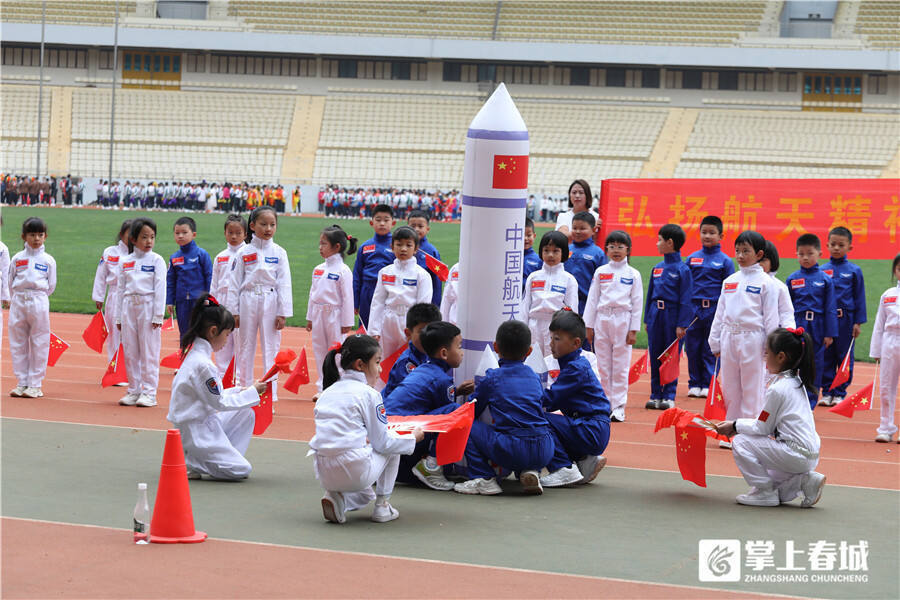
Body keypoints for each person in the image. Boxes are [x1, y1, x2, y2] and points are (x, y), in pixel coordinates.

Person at [310, 334, 424, 524]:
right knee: (393, 443)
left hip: (323, 473)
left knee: (364, 490)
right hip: (354, 470)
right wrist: (412, 438)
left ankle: (338, 497)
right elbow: (384, 443)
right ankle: (382, 506)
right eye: (377, 362)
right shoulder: (369, 394)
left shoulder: (326, 393)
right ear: (360, 365)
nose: (380, 369)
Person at [714, 328, 825, 508]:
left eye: (767, 353)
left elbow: (762, 428)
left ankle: (764, 492)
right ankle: (805, 481)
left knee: (741, 442)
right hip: (808, 454)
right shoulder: (796, 382)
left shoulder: (778, 388)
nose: (764, 358)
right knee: (777, 486)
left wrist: (734, 426)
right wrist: (736, 425)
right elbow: (766, 425)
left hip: (796, 454)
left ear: (781, 357)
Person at [168, 294, 266, 480]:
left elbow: (211, 395)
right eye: (227, 334)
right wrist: (253, 391)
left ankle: (218, 458)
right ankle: (195, 461)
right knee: (242, 470)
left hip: (201, 421)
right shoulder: (203, 365)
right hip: (195, 430)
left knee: (245, 413)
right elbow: (219, 402)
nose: (227, 340)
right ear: (213, 331)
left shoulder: (196, 356)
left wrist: (241, 391)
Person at [455, 320, 554, 495]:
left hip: (512, 448)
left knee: (466, 424)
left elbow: (472, 410)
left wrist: (461, 395)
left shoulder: (493, 378)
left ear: (496, 347)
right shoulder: (533, 376)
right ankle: (530, 470)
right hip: (544, 448)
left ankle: (483, 477)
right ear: (529, 351)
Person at [708, 231, 780, 445]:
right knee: (730, 387)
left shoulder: (767, 283)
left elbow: (771, 318)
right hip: (730, 337)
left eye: (746, 251)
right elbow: (720, 313)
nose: (740, 255)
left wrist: (771, 346)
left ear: (759, 254)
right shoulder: (730, 281)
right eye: (737, 250)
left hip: (753, 339)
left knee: (752, 388)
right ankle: (730, 431)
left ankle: (749, 434)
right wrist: (714, 340)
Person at [384, 321, 474, 490]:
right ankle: (431, 467)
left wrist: (457, 391)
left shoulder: (425, 369)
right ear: (444, 353)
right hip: (402, 433)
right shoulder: (442, 379)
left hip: (389, 432)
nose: (462, 353)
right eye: (459, 347)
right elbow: (447, 419)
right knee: (457, 413)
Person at [227, 206, 293, 404]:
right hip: (247, 299)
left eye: (272, 225)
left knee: (271, 347)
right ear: (252, 226)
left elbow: (284, 283)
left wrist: (282, 312)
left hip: (270, 300)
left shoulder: (280, 252)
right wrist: (233, 311)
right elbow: (234, 283)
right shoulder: (243, 252)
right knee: (245, 346)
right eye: (263, 224)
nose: (268, 229)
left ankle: (269, 394)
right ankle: (245, 391)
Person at [539, 309, 610, 488]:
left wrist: (519, 396)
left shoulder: (576, 368)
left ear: (576, 343)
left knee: (539, 420)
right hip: (592, 427)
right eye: (551, 338)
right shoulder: (572, 365)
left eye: (557, 339)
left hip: (591, 429)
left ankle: (563, 467)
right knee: (552, 421)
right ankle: (584, 459)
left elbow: (549, 399)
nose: (551, 344)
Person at [583, 230, 643, 422]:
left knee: (620, 366)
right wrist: (588, 326)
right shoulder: (601, 272)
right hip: (602, 319)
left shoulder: (633, 274)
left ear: (628, 250)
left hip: (623, 320)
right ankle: (604, 403)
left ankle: (618, 406)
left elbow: (637, 302)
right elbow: (593, 299)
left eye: (620, 246)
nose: (616, 250)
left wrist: (633, 329)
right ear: (606, 249)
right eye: (612, 246)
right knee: (602, 365)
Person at [116, 218, 167, 407]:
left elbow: (160, 288)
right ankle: (134, 390)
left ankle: (149, 392)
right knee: (131, 351)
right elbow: (120, 290)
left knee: (149, 352)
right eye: (144, 237)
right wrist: (118, 316)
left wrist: (158, 315)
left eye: (152, 237)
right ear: (133, 239)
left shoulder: (156, 260)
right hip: (129, 306)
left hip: (148, 306)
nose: (149, 241)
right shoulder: (125, 262)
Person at [683, 215, 734, 398]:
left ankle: (708, 382)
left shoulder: (725, 261)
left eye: (712, 233)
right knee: (693, 346)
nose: (707, 236)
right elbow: (685, 286)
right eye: (704, 232)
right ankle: (694, 382)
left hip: (714, 309)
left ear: (721, 236)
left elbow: (730, 290)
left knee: (710, 346)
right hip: (694, 308)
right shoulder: (692, 259)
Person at [644, 224, 694, 409]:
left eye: (659, 240)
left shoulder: (683, 269)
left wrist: (682, 324)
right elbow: (650, 295)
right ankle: (655, 394)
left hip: (672, 316)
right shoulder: (657, 268)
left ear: (670, 242)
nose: (657, 244)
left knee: (671, 356)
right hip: (656, 315)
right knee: (656, 354)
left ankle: (669, 395)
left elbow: (686, 298)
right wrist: (647, 319)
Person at [785, 234, 837, 408]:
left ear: (819, 254)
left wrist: (829, 333)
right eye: (801, 254)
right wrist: (787, 328)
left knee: (815, 364)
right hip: (798, 324)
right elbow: (786, 306)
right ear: (796, 255)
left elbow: (830, 307)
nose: (805, 258)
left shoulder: (825, 280)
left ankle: (810, 403)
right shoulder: (792, 279)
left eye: (810, 253)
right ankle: (792, 401)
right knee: (794, 362)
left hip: (818, 325)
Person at [7, 217, 57, 398]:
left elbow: (51, 285)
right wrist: (15, 298)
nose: (36, 238)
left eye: (40, 235)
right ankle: (22, 382)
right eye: (32, 234)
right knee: (18, 342)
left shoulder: (48, 260)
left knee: (39, 342)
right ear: (24, 237)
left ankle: (35, 384)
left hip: (38, 301)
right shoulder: (17, 258)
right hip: (19, 301)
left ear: (45, 237)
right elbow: (10, 280)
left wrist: (38, 297)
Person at [368, 225, 432, 359]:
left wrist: (416, 331)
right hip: (388, 320)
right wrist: (374, 330)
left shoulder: (422, 275)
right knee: (384, 358)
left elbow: (423, 306)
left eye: (408, 245)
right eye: (399, 244)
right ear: (392, 247)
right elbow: (378, 302)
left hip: (409, 321)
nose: (403, 249)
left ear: (415, 249)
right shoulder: (385, 272)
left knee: (408, 359)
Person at [306, 225, 357, 392]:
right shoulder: (318, 269)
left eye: (324, 244)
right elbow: (312, 294)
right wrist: (310, 317)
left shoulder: (343, 270)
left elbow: (348, 297)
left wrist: (347, 322)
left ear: (337, 247)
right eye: (319, 243)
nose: (320, 247)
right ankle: (322, 387)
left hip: (335, 315)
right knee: (319, 350)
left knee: (336, 352)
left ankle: (337, 385)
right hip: (318, 313)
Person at [820, 227, 867, 407]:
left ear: (849, 247)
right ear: (827, 245)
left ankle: (840, 392)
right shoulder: (822, 270)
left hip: (846, 320)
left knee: (844, 356)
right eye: (833, 244)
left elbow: (859, 297)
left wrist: (857, 323)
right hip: (827, 320)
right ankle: (827, 392)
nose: (836, 248)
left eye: (841, 245)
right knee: (826, 355)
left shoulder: (854, 271)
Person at [520, 230, 578, 359]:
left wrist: (569, 333)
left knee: (553, 362)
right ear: (541, 252)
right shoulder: (533, 277)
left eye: (555, 251)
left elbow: (572, 309)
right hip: (533, 326)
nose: (550, 255)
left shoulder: (569, 280)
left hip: (556, 328)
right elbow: (525, 305)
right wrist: (523, 329)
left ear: (564, 253)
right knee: (533, 360)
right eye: (546, 250)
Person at [91, 219, 132, 375]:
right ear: (122, 234)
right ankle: (115, 369)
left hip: (133, 297)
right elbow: (101, 275)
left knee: (132, 334)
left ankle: (131, 370)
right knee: (115, 333)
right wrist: (99, 296)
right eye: (129, 233)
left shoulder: (140, 254)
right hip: (114, 296)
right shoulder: (110, 252)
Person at [209, 215, 247, 379]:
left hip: (240, 301)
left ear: (245, 234)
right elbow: (214, 284)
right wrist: (211, 306)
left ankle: (239, 378)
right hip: (222, 301)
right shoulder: (220, 257)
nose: (234, 236)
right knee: (222, 341)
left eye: (238, 233)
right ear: (225, 233)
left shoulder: (248, 254)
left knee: (240, 342)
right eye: (230, 232)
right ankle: (222, 377)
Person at [382, 303, 441, 399]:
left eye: (433, 331)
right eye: (422, 331)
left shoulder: (433, 356)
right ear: (408, 334)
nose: (428, 336)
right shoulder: (406, 363)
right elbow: (413, 395)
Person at [870, 254, 900, 443]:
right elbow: (879, 324)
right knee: (886, 387)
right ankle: (886, 428)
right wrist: (876, 350)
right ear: (895, 271)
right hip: (890, 341)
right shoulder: (888, 295)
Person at [166, 217, 213, 337]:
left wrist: (208, 298)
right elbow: (171, 281)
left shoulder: (202, 254)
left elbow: (209, 278)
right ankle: (185, 349)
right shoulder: (174, 258)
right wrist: (170, 301)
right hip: (181, 301)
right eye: (177, 233)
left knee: (200, 332)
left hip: (199, 301)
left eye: (184, 232)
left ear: (194, 234)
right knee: (184, 333)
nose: (180, 236)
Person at [352, 204, 396, 329]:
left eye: (386, 220)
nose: (382, 223)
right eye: (378, 220)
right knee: (365, 328)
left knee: (386, 328)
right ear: (371, 223)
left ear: (393, 223)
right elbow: (357, 275)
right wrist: (355, 301)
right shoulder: (365, 247)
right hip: (367, 291)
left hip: (389, 291)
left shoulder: (397, 246)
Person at [564, 211, 607, 317]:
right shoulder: (565, 250)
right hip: (565, 304)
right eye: (574, 228)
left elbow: (604, 283)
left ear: (593, 230)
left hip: (588, 306)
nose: (578, 231)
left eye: (582, 228)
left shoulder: (598, 254)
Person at [407, 209, 442, 306]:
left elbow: (437, 282)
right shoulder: (401, 247)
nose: (416, 229)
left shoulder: (431, 251)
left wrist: (435, 305)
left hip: (424, 299)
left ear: (427, 229)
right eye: (413, 226)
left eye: (420, 226)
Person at [760, 241, 796, 329]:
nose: (759, 264)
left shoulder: (780, 287)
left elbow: (786, 312)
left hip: (774, 333)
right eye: (756, 261)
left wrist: (789, 331)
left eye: (763, 260)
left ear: (772, 262)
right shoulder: (744, 283)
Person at [522, 217, 542, 288]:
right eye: (522, 235)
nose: (525, 238)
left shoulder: (539, 260)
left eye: (529, 235)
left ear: (534, 236)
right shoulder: (510, 257)